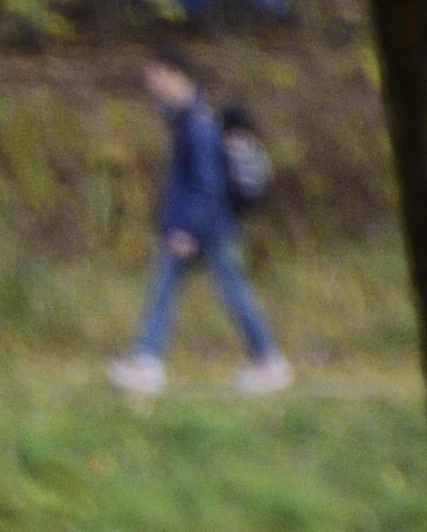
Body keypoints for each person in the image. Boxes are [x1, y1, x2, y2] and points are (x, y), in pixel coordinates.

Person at [109, 52, 293, 399]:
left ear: (177, 75)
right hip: (207, 227)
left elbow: (207, 185)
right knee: (176, 290)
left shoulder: (197, 124)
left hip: (206, 229)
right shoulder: (188, 119)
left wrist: (187, 230)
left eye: (157, 76)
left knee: (221, 292)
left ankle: (266, 362)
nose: (153, 85)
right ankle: (149, 361)